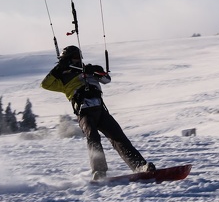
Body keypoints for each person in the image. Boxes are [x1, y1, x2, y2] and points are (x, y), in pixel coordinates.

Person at [41, 45, 155, 180]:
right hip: (84, 113)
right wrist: (58, 68)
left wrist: (96, 70)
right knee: (93, 138)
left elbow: (106, 79)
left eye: (79, 57)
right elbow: (45, 84)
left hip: (100, 111)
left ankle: (139, 166)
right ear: (67, 59)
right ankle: (99, 171)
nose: (78, 60)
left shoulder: (88, 70)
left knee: (118, 137)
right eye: (75, 58)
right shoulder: (61, 78)